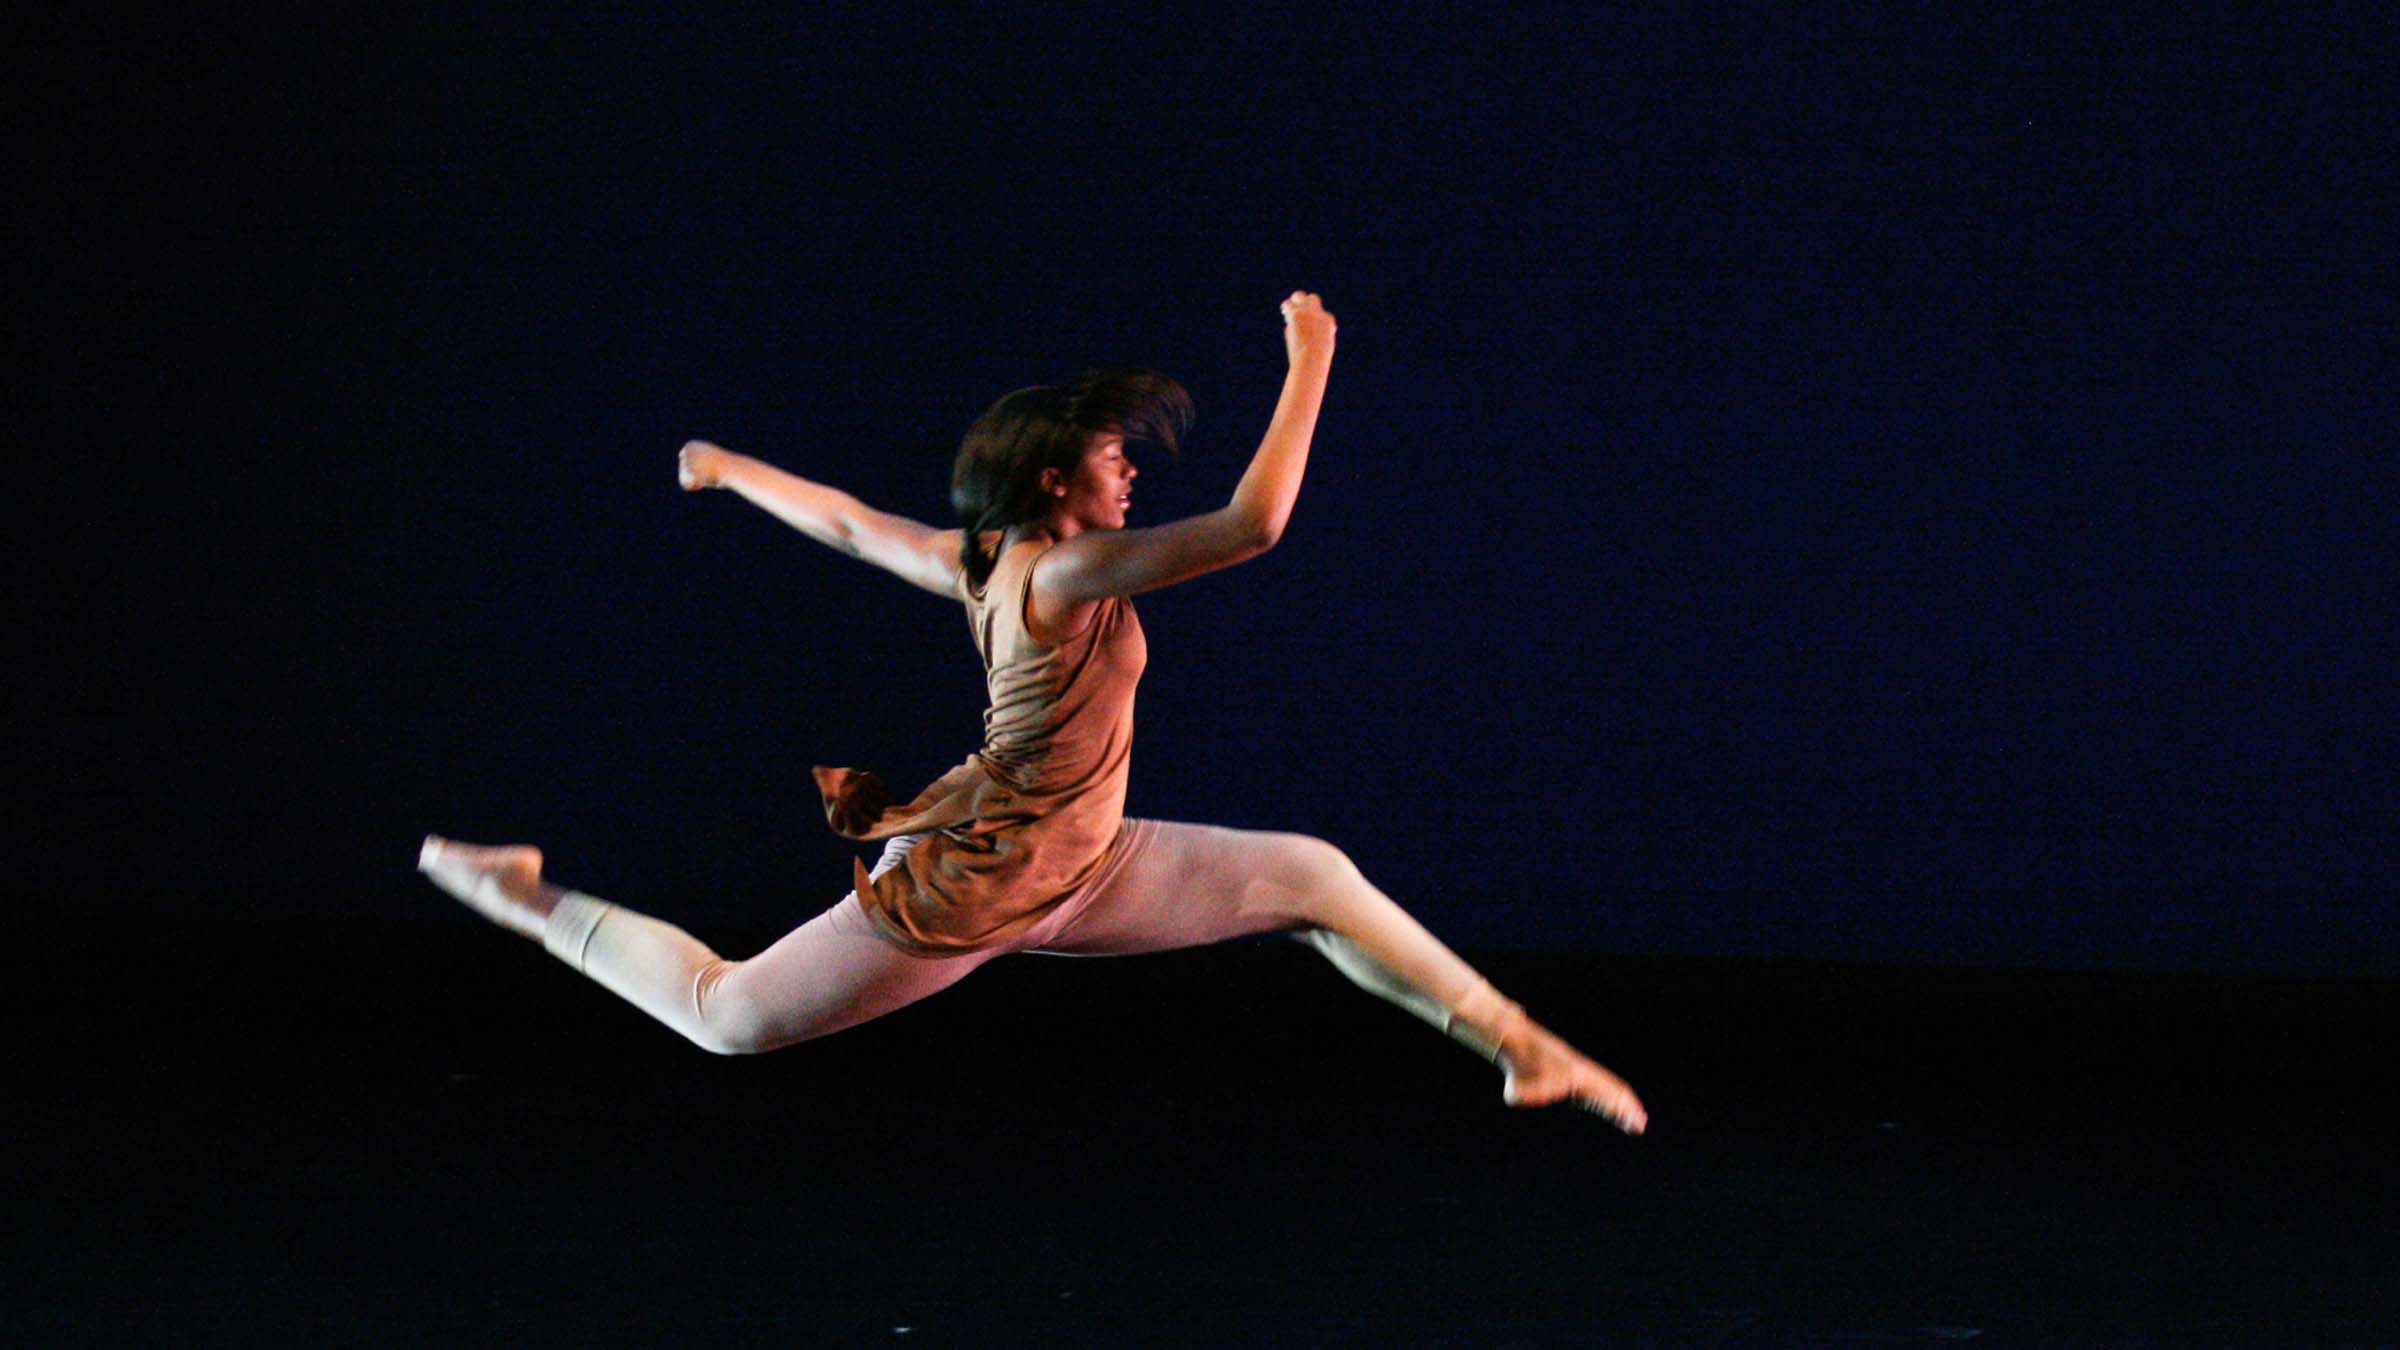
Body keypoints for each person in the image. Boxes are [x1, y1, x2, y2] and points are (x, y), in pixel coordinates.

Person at [420, 291, 1646, 1133]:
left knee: (1315, 879)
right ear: (1054, 483)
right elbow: (1252, 528)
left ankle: (1520, 1047)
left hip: (1093, 858)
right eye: (1114, 459)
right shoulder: (1059, 574)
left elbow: (851, 521)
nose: (1130, 474)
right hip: (994, 875)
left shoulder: (982, 556)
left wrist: (735, 472)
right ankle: (517, 894)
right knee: (726, 1018)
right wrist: (1312, 357)